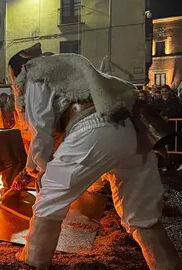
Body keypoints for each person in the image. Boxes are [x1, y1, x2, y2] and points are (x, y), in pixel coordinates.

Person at [11, 53, 181, 269]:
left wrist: (37, 167)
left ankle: (32, 260)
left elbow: (40, 131)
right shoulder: (67, 68)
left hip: (92, 128)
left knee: (49, 200)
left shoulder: (34, 74)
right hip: (129, 132)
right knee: (142, 216)